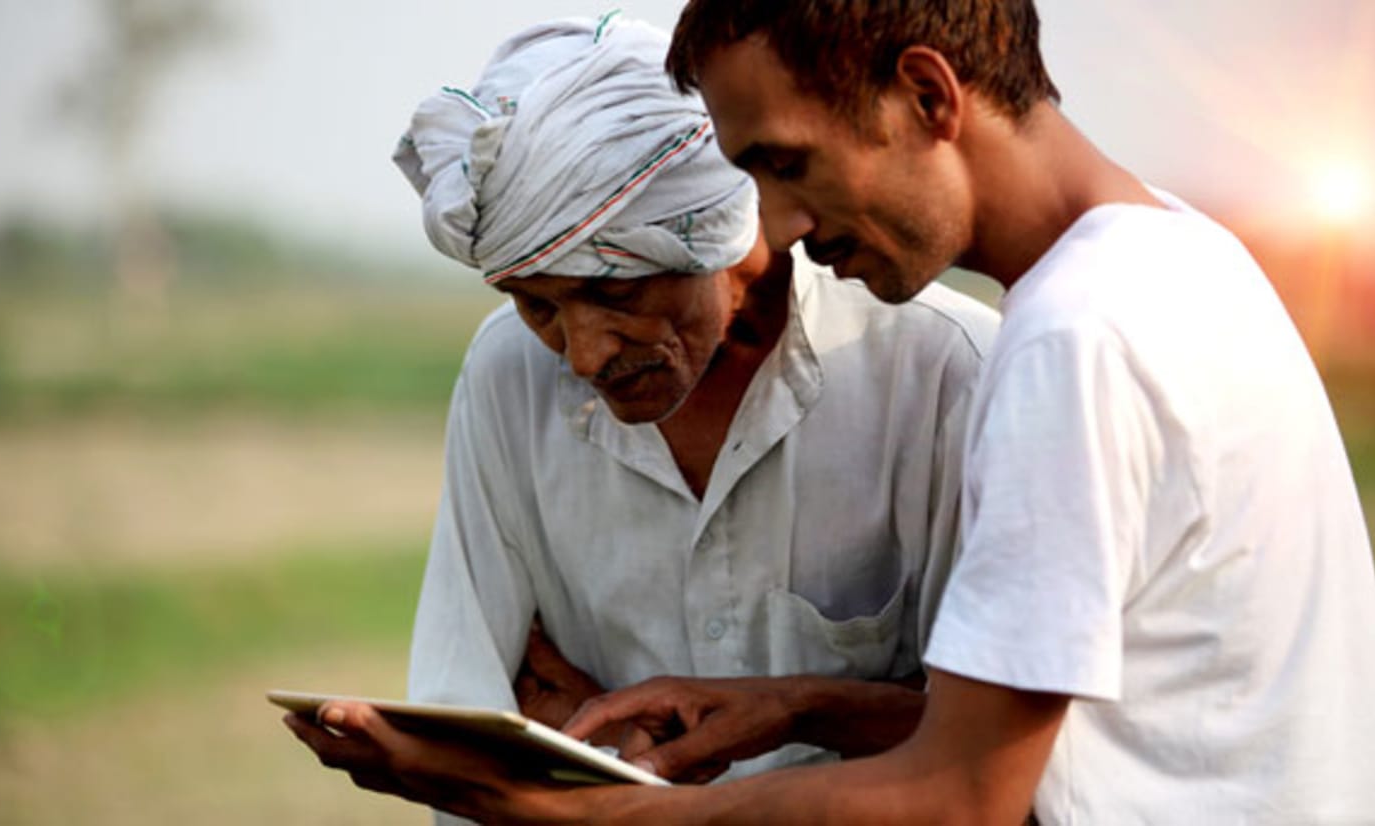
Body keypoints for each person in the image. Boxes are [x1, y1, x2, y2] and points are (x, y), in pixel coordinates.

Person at [285, 1, 1375, 822]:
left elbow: (961, 796)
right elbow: (1080, 727)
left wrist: (604, 811)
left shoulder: (1067, 345)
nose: (777, 224)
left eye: (783, 164)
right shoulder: (1182, 254)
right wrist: (798, 706)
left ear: (928, 93)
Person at [307, 8, 996, 797]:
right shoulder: (507, 372)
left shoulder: (944, 373)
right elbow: (469, 693)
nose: (584, 351)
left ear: (716, 224)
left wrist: (800, 710)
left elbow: (996, 748)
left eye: (617, 290)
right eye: (538, 305)